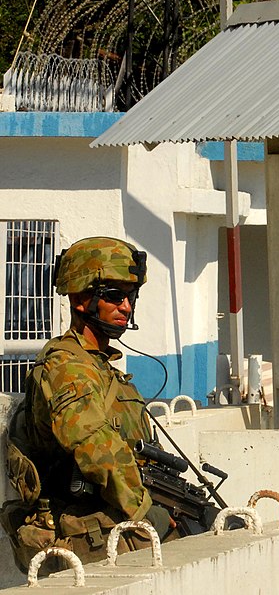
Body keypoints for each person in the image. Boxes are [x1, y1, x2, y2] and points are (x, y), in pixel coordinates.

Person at [1, 236, 172, 571]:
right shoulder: (67, 367)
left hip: (102, 518)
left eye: (131, 296)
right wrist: (146, 513)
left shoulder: (100, 366)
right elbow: (96, 447)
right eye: (114, 296)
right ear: (80, 299)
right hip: (77, 529)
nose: (126, 306)